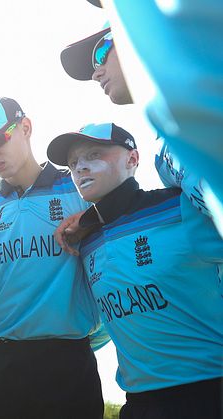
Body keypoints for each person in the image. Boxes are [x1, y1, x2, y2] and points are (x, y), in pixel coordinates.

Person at [46, 122, 223, 419]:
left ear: (133, 159)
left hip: (208, 393)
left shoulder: (181, 208)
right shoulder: (86, 240)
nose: (81, 168)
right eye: (74, 163)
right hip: (139, 402)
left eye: (94, 154)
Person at [0, 97, 106, 418]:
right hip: (2, 365)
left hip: (69, 361)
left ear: (25, 128)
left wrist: (91, 219)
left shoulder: (78, 189)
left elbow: (125, 215)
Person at [65, 0, 223, 237]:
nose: (96, 73)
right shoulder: (163, 154)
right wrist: (97, 218)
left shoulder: (207, 75)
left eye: (101, 54)